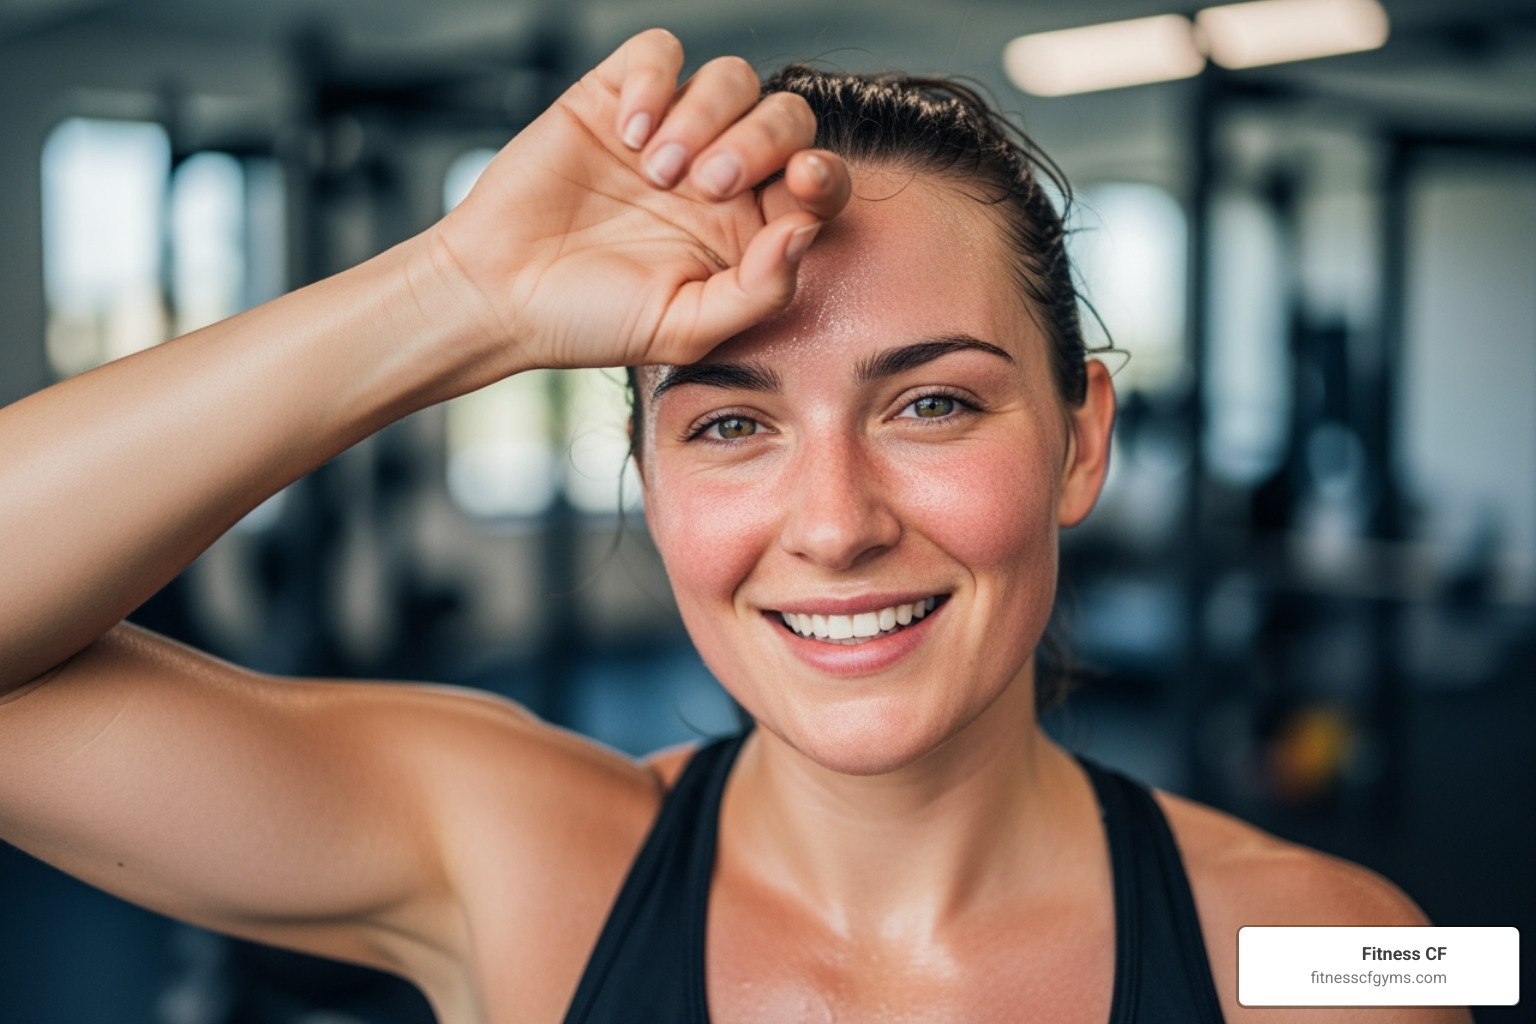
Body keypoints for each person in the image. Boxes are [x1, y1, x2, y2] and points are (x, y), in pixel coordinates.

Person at [0, 28, 1466, 1024]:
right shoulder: (514, 857)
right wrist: (462, 294)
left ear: (1081, 436)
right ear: (646, 466)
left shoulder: (1344, 947)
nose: (831, 525)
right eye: (729, 424)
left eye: (933, 406)